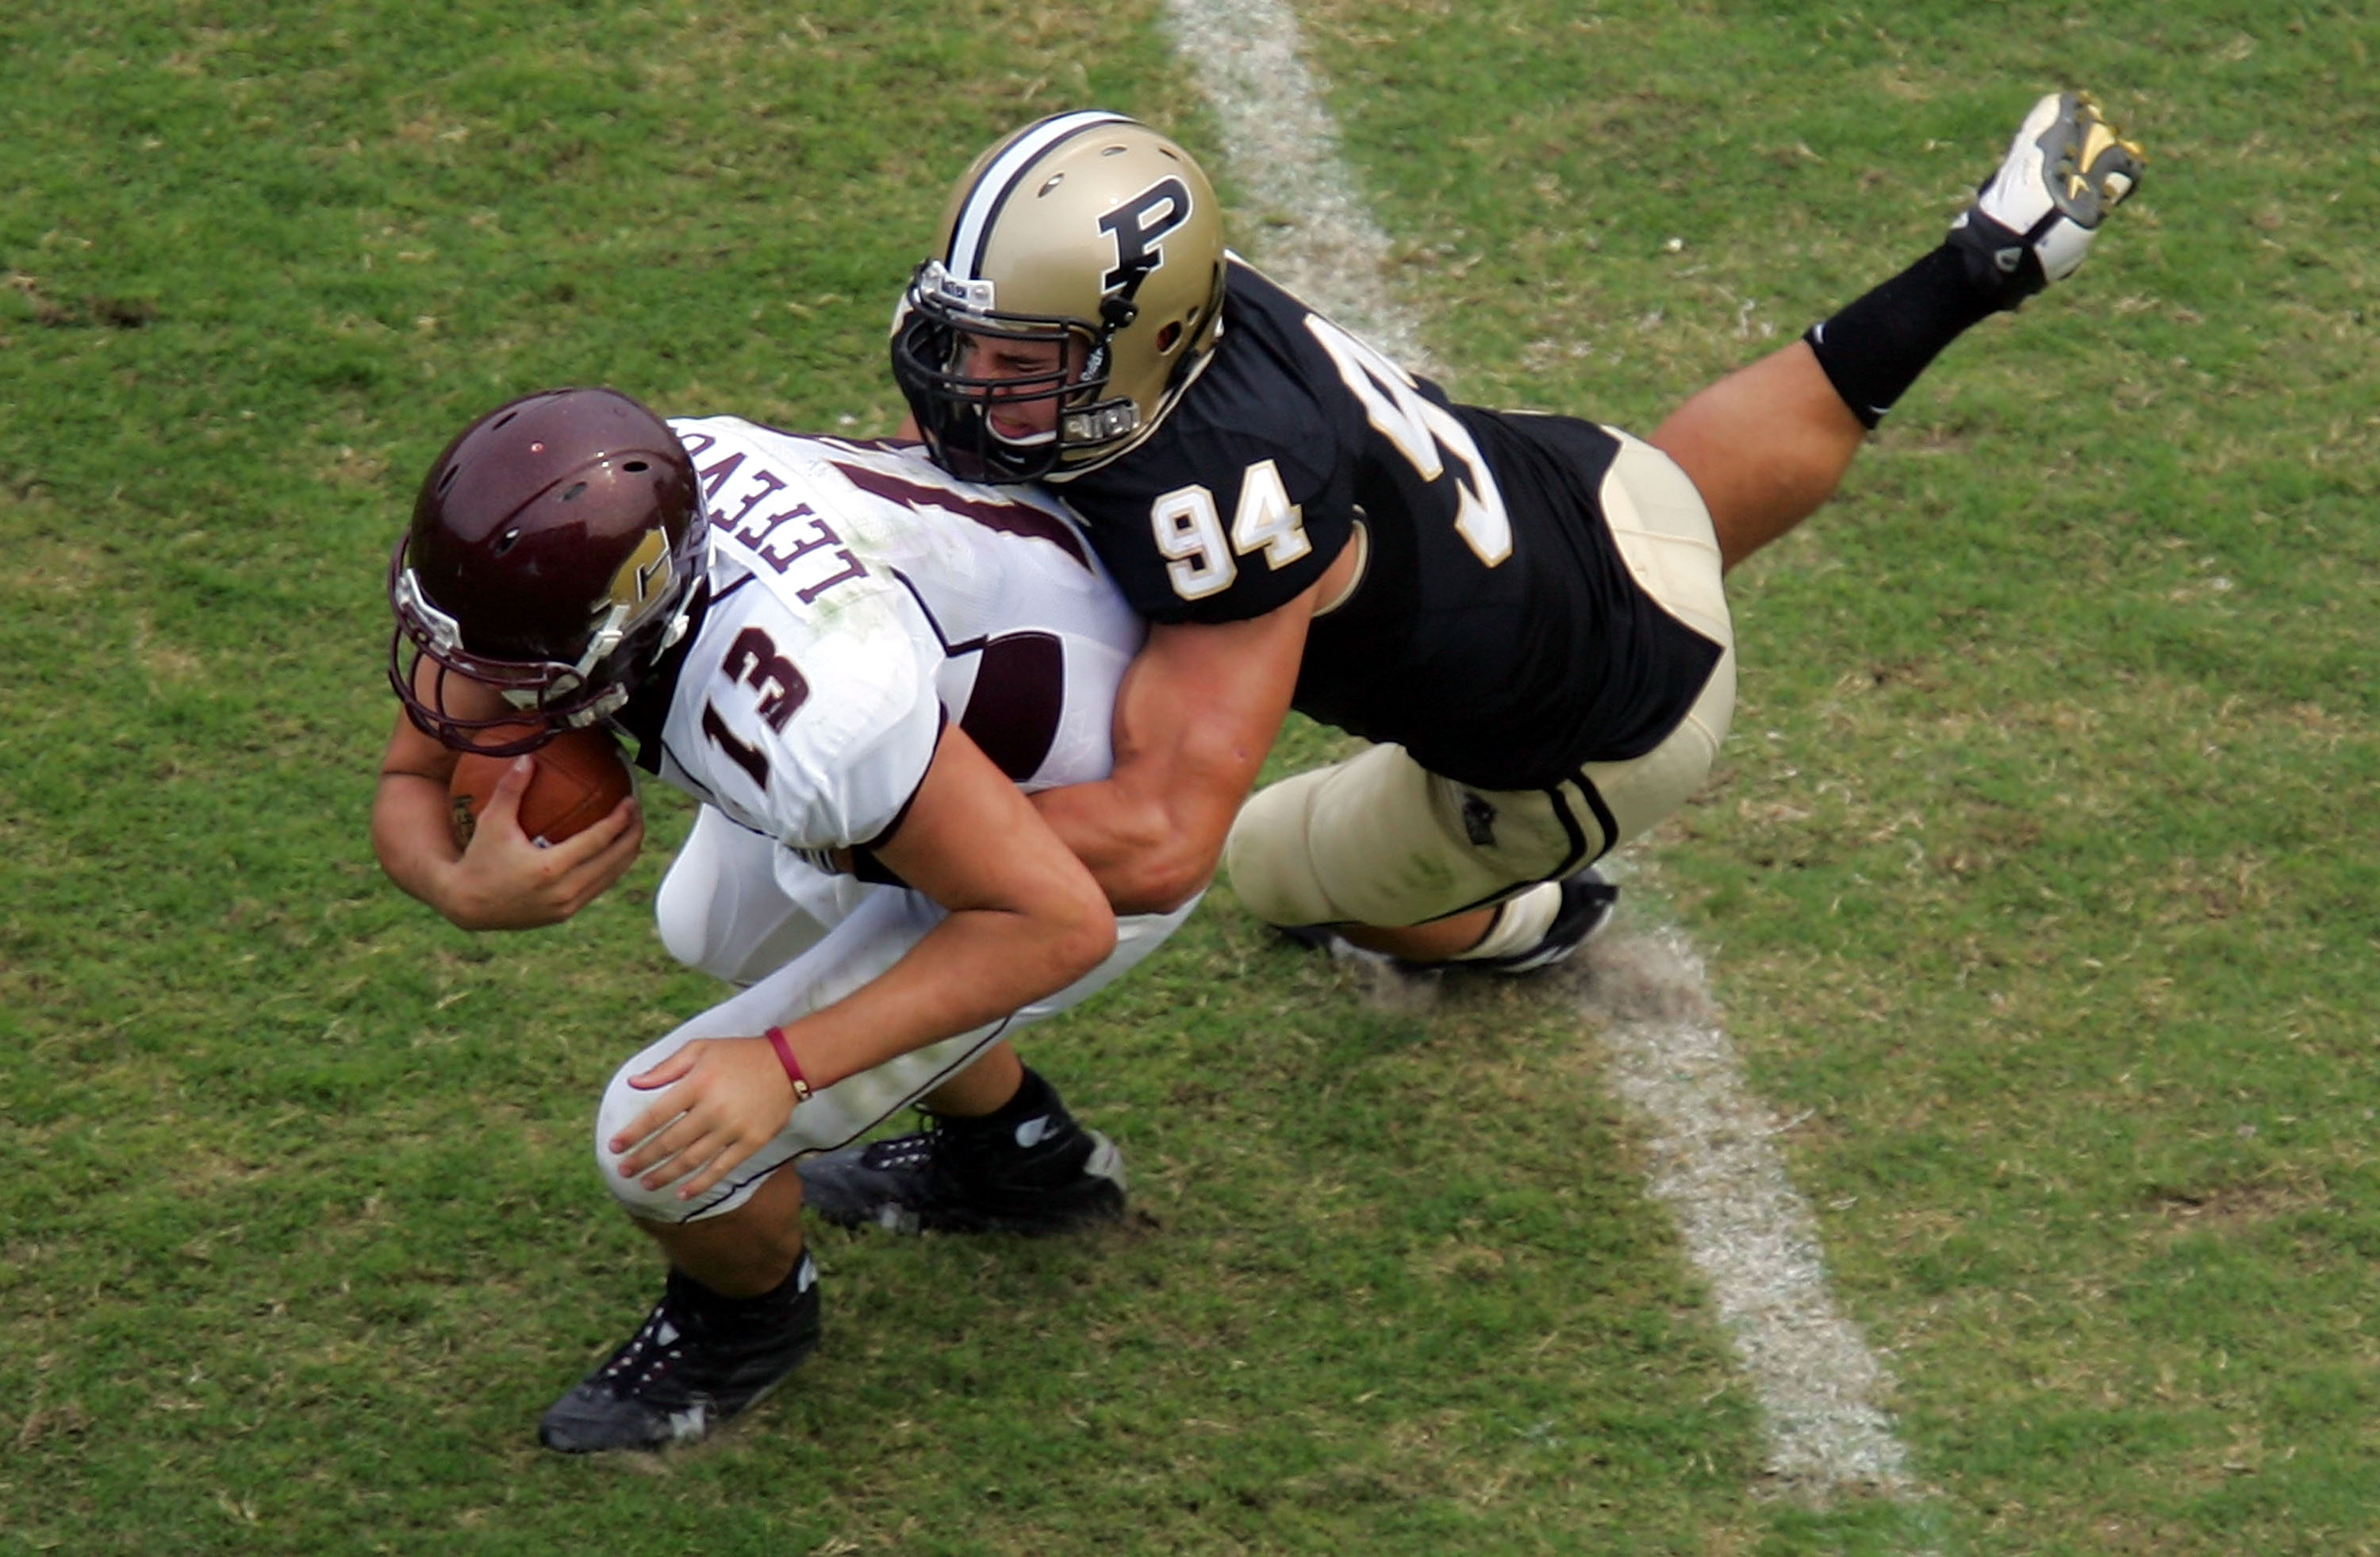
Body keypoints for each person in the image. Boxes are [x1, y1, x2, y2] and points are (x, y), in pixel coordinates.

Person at [797, 96, 2140, 1227]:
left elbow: (1160, 839)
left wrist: (886, 832)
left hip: (1603, 730)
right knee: (1674, 506)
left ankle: (1534, 918)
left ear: (1135, 348)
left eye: (1018, 356)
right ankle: (1980, 263)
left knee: (1276, 862)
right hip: (1583, 490)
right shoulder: (1196, 317)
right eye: (965, 333)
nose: (971, 375)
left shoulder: (1224, 494)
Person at [372, 386, 1196, 1452]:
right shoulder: (635, 509)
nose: (463, 679)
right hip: (950, 737)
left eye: (502, 655)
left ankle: (742, 1323)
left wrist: (786, 1064)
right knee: (714, 922)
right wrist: (456, 887)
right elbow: (412, 768)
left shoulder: (810, 719)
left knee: (654, 1136)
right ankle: (1021, 1156)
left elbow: (1052, 920)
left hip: (1073, 842)